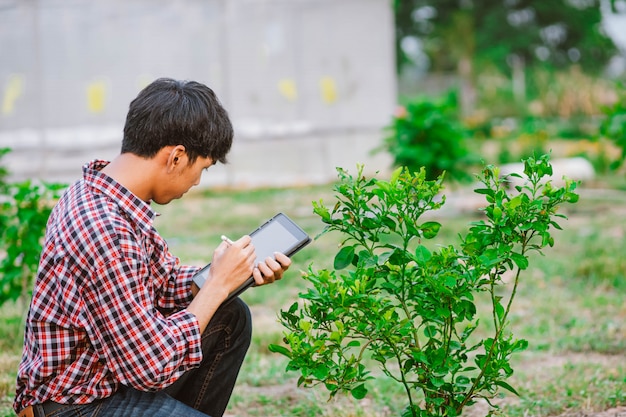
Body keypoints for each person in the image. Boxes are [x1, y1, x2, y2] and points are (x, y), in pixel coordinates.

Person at [14, 78, 292, 417]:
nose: (196, 182)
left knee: (229, 316)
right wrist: (215, 286)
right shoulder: (105, 228)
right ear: (176, 157)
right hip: (71, 404)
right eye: (201, 168)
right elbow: (150, 365)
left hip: (105, 376)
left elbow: (163, 282)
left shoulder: (107, 195)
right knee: (216, 303)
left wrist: (229, 273)